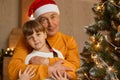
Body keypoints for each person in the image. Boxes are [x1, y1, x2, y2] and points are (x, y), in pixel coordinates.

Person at [8, 0, 80, 80]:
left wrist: (46, 61)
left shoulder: (69, 41)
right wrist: (47, 70)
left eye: (53, 17)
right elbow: (13, 70)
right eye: (44, 20)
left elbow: (76, 72)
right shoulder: (27, 40)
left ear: (58, 17)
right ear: (38, 23)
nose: (50, 24)